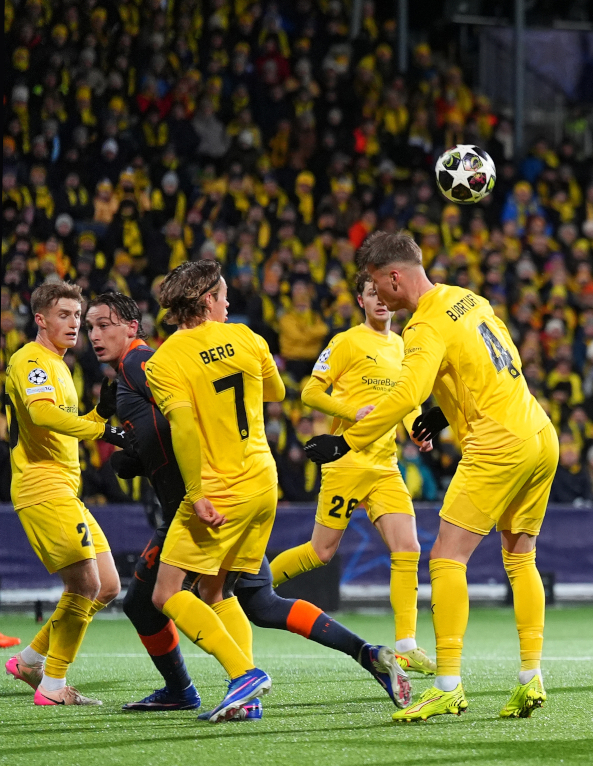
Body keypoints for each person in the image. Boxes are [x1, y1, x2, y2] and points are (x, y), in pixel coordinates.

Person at [84, 291, 408, 716]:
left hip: (205, 500)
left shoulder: (142, 363)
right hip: (240, 488)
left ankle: (208, 684)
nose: (93, 334)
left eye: (102, 324)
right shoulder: (140, 370)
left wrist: (135, 454)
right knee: (253, 600)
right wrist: (122, 441)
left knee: (151, 599)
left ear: (132, 326)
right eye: (89, 326)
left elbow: (179, 422)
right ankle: (363, 653)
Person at [304, 231, 556, 722]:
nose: (380, 294)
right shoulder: (466, 297)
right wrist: (442, 414)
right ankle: (530, 677)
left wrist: (347, 442)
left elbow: (404, 393)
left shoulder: (421, 327)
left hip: (498, 443)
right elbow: (502, 361)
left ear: (394, 276)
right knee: (520, 557)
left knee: (445, 559)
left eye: (379, 283)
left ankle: (447, 685)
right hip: (539, 431)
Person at [269, 270, 435, 677]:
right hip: (347, 462)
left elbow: (407, 399)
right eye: (370, 294)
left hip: (386, 465)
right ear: (361, 300)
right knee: (320, 552)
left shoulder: (402, 346)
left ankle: (406, 646)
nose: (379, 300)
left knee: (408, 548)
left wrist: (416, 426)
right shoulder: (345, 342)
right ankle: (250, 585)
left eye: (384, 294)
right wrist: (350, 412)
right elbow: (309, 392)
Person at [142, 261, 276, 722]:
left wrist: (196, 492)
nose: (228, 303)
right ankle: (248, 697)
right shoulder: (248, 338)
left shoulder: (163, 361)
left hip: (220, 490)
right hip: (263, 480)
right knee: (217, 590)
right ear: (205, 302)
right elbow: (275, 391)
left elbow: (182, 426)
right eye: (221, 296)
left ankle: (244, 675)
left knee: (165, 594)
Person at [4, 281, 128, 706]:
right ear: (40, 319)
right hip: (41, 486)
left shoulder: (60, 364)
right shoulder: (30, 360)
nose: (74, 323)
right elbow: (41, 413)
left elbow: (59, 423)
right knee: (85, 584)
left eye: (77, 316)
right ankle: (53, 687)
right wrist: (99, 428)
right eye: (64, 315)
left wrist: (100, 413)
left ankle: (31, 659)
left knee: (107, 584)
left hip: (64, 488)